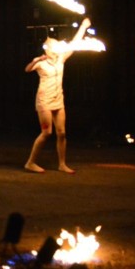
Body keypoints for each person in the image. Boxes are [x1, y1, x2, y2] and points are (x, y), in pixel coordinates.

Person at [24, 17, 91, 174]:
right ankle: (30, 162)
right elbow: (27, 69)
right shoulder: (40, 62)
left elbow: (74, 44)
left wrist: (83, 27)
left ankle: (62, 164)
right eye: (54, 45)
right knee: (47, 132)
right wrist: (36, 60)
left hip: (58, 100)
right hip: (44, 101)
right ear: (48, 49)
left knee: (62, 133)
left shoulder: (61, 59)